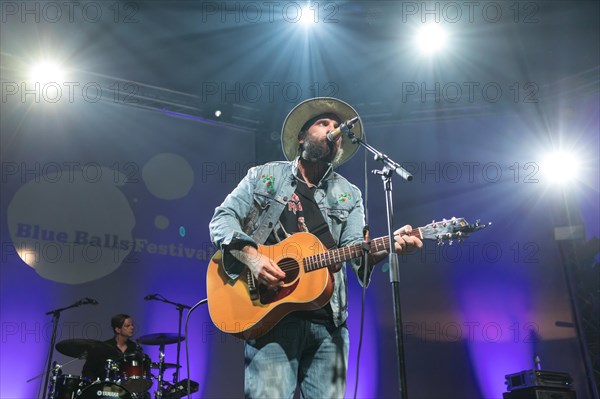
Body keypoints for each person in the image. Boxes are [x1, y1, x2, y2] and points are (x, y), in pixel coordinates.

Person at [209, 97, 423, 398]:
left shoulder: (349, 194)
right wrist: (254, 259)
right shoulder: (264, 176)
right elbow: (222, 220)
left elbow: (355, 251)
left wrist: (389, 245)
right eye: (324, 123)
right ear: (301, 136)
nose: (333, 131)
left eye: (337, 126)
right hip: (271, 317)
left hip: (330, 324)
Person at [82, 314, 142, 382]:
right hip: (104, 387)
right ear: (118, 329)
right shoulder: (103, 347)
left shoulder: (134, 348)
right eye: (127, 326)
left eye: (132, 325)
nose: (132, 328)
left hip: (127, 388)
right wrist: (95, 383)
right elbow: (87, 370)